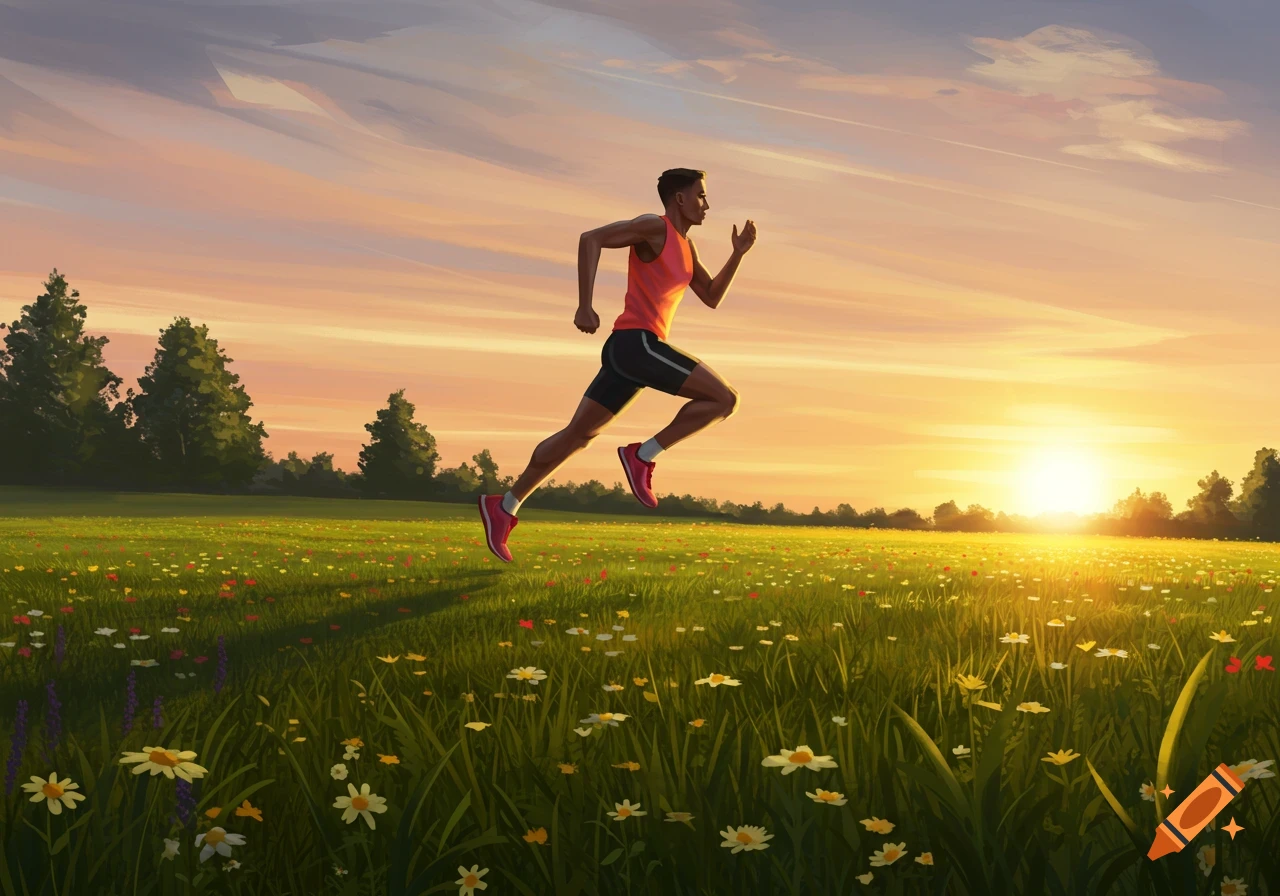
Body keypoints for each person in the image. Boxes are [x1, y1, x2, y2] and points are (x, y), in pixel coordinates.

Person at [479, 168, 757, 562]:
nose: (706, 205)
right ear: (679, 199)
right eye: (701, 196)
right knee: (724, 399)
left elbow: (711, 296)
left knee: (577, 436)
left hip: (633, 354)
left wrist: (738, 254)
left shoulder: (687, 249)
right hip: (636, 344)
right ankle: (642, 455)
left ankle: (504, 506)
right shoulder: (653, 227)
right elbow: (591, 239)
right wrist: (584, 303)